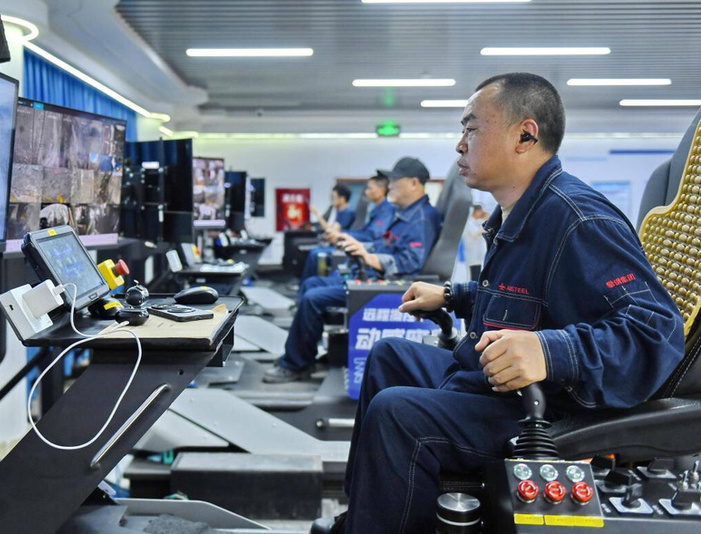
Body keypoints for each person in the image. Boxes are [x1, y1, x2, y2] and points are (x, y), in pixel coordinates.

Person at [312, 73, 685, 533]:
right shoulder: (522, 211)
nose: (459, 145)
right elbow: (527, 299)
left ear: (525, 136)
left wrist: (549, 351)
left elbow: (657, 329)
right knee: (390, 356)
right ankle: (369, 512)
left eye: (471, 128)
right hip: (494, 383)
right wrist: (454, 295)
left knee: (397, 413)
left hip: (547, 409)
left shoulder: (577, 219)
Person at [265, 158, 442, 384]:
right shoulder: (407, 214)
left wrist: (368, 256)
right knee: (312, 285)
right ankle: (302, 353)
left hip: (394, 286)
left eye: (395, 181)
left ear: (414, 183)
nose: (391, 186)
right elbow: (385, 245)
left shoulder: (421, 218)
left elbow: (409, 262)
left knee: (312, 298)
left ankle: (296, 364)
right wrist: (362, 248)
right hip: (379, 277)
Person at [299, 175, 395, 283]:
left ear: (381, 189)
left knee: (315, 254)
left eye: (370, 188)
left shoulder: (386, 210)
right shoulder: (374, 209)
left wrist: (343, 236)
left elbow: (372, 236)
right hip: (360, 245)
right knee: (314, 253)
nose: (366, 192)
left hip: (367, 249)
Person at [461, 203, 489, 278]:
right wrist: (486, 224)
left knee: (477, 273)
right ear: (476, 211)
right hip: (472, 252)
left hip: (477, 254)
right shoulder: (469, 222)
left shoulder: (476, 222)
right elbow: (476, 233)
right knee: (474, 275)